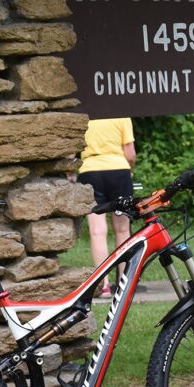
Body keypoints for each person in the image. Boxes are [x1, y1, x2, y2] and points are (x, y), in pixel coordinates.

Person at [76, 117, 136, 298]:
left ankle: (104, 286)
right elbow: (130, 154)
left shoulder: (84, 115)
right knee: (123, 229)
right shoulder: (121, 115)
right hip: (118, 170)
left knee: (97, 232)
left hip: (89, 171)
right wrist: (129, 169)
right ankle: (124, 283)